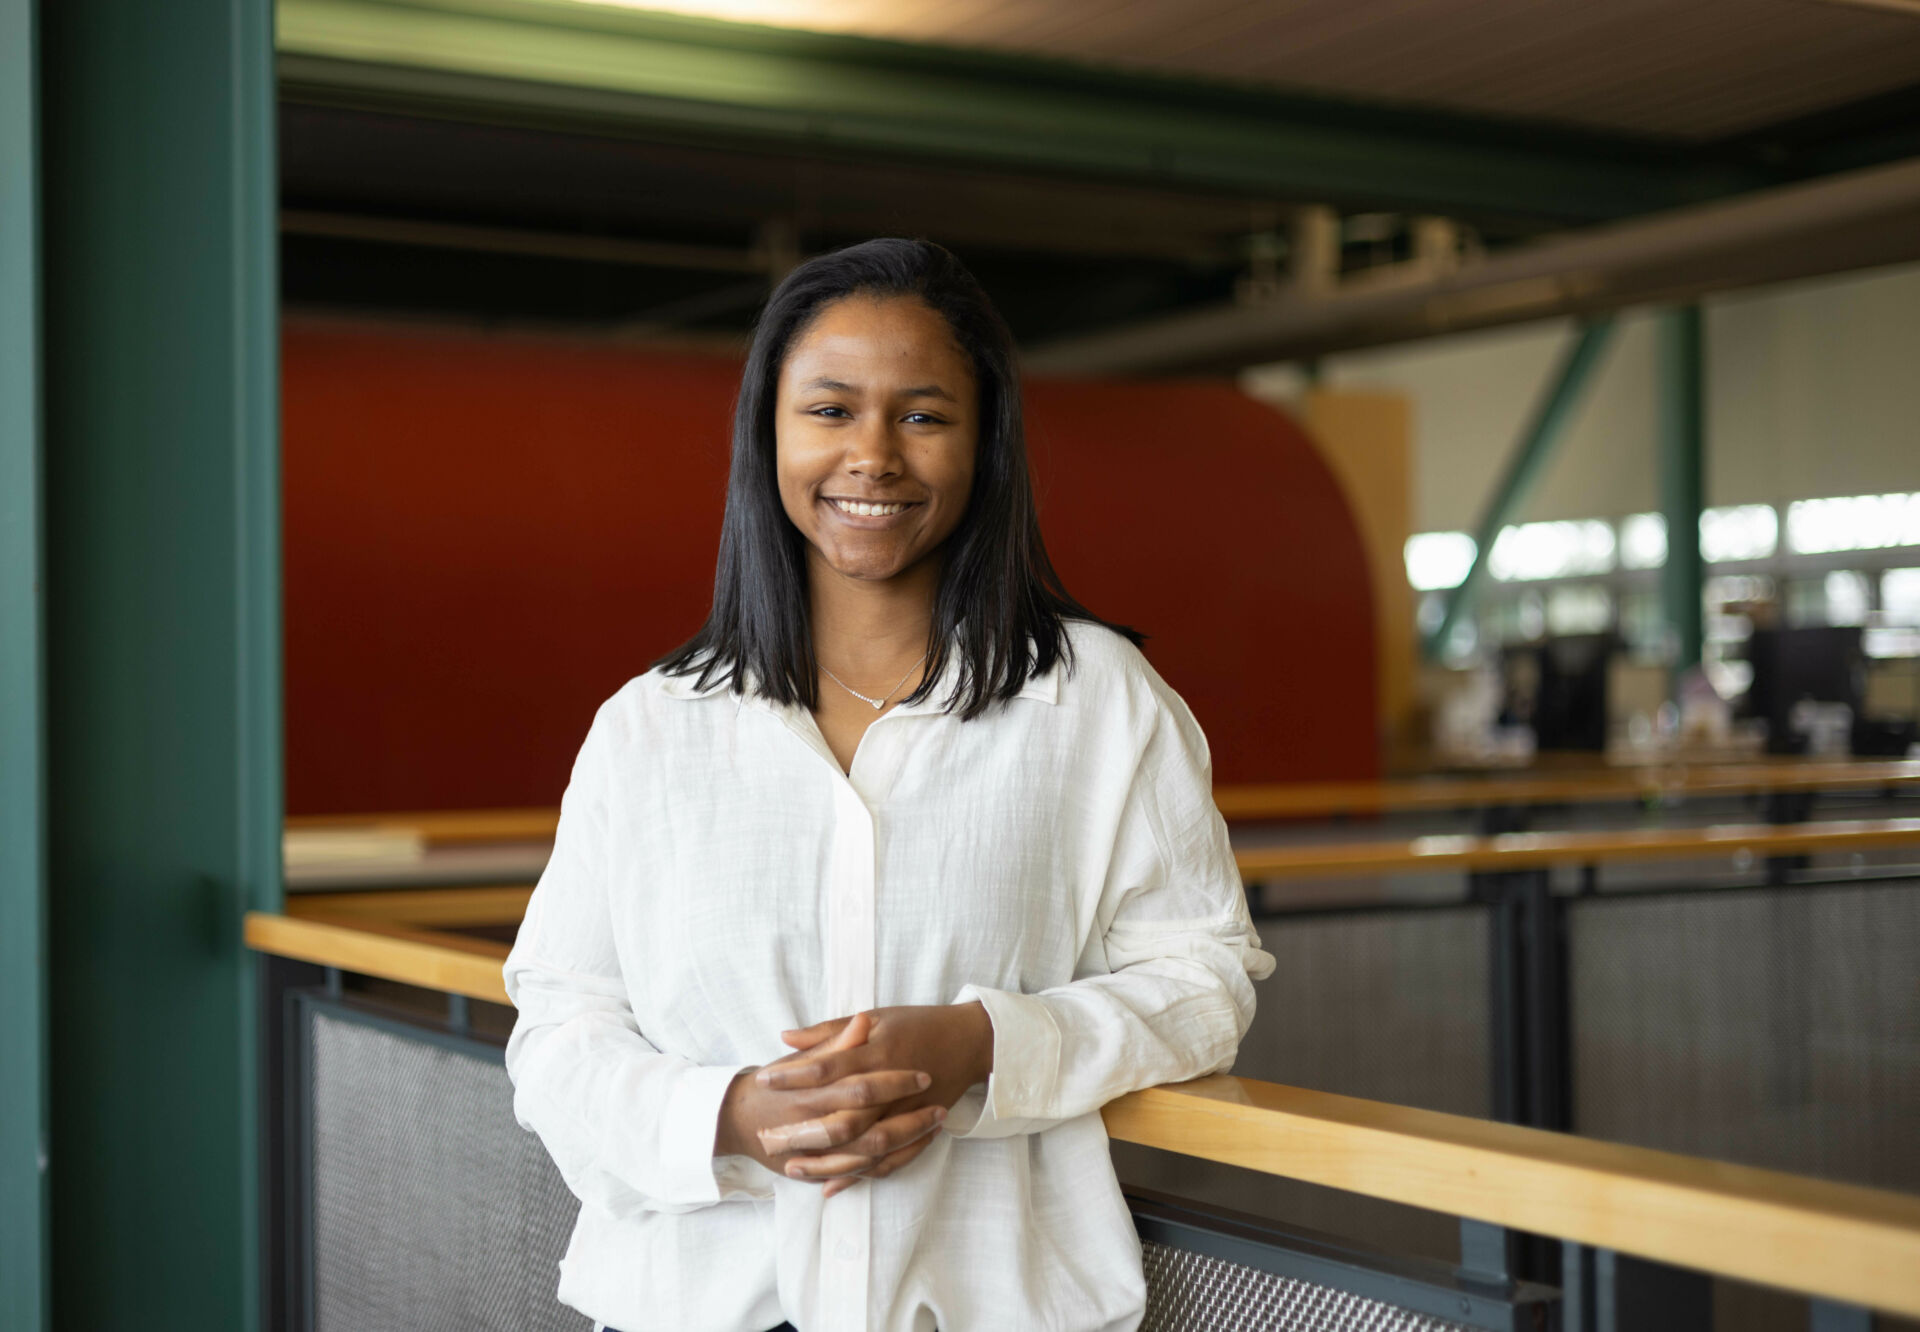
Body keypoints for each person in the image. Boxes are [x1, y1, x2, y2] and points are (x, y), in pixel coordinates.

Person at [502, 238, 1275, 1332]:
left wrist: (980, 1046)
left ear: (984, 442)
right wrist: (727, 1114)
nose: (873, 455)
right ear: (768, 432)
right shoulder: (650, 729)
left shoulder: (1098, 699)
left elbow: (1205, 982)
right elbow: (559, 1028)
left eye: (922, 414)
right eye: (828, 411)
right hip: (700, 1304)